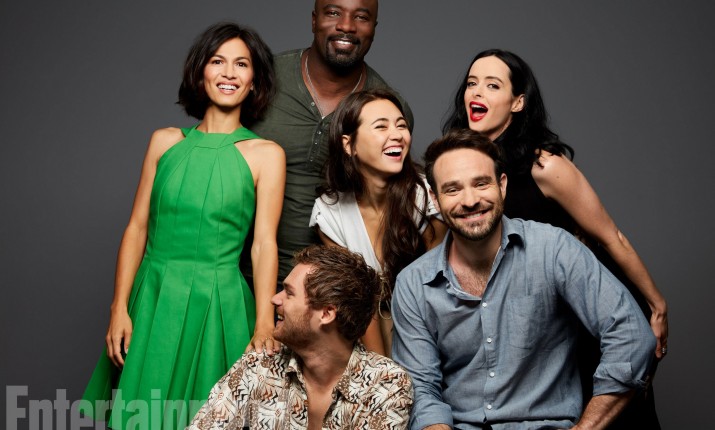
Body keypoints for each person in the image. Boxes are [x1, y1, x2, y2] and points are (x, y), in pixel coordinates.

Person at [442, 49, 666, 428]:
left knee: (610, 414)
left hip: (580, 312)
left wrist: (656, 306)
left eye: (492, 85)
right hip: (526, 317)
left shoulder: (545, 166)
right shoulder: (458, 166)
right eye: (472, 83)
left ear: (518, 102)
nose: (476, 92)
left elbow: (612, 236)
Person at [80, 22, 285, 429]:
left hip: (220, 302)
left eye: (241, 64)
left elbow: (263, 243)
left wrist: (264, 321)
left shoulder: (266, 154)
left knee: (206, 417)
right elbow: (137, 228)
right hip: (153, 296)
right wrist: (119, 307)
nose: (229, 73)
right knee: (144, 414)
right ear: (200, 71)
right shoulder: (165, 141)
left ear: (254, 81)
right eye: (218, 61)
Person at [391, 129, 656, 429]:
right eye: (453, 190)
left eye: (481, 183)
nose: (470, 200)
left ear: (502, 186)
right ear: (435, 199)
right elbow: (421, 390)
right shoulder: (413, 284)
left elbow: (632, 335)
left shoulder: (553, 249)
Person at [241, 0, 414, 289]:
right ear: (314, 20)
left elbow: (393, 207)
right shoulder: (261, 78)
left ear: (373, 28)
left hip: (330, 293)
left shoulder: (389, 111)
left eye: (361, 17)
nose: (346, 25)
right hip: (238, 278)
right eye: (333, 13)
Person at [189, 245, 414, 429]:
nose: (274, 299)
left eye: (289, 293)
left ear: (326, 313)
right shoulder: (259, 366)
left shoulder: (385, 384)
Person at [310, 89, 446, 356]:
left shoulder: (428, 198)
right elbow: (358, 299)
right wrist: (382, 369)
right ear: (349, 145)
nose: (397, 135)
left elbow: (433, 292)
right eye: (381, 126)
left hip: (427, 326)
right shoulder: (330, 213)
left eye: (401, 125)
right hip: (364, 329)